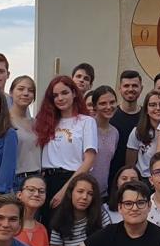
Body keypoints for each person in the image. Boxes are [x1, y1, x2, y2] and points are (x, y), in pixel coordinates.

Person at [35, 76, 98, 211]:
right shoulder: (45, 122)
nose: (60, 98)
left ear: (74, 93)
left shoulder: (86, 122)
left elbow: (89, 160)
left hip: (73, 181)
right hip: (46, 181)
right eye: (55, 95)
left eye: (64, 93)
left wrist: (65, 190)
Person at [49, 175, 105, 246]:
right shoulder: (59, 222)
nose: (84, 197)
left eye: (90, 194)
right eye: (80, 191)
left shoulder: (101, 215)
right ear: (70, 193)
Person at [110, 70, 144, 190]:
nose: (130, 89)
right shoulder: (110, 116)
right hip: (111, 176)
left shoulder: (147, 117)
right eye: (126, 86)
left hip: (137, 179)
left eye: (134, 85)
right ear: (120, 89)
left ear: (141, 88)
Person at [125, 91, 160, 177]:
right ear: (146, 110)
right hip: (144, 178)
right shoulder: (137, 131)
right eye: (152, 105)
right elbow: (130, 165)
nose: (158, 108)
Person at [8, 76, 41, 183]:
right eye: (21, 89)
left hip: (37, 178)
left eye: (30, 90)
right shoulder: (4, 121)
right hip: (16, 179)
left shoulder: (36, 123)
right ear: (11, 92)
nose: (26, 93)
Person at [91, 86, 120, 198]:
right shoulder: (87, 128)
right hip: (84, 191)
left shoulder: (115, 133)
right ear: (95, 106)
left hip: (102, 193)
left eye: (112, 102)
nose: (108, 107)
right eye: (103, 103)